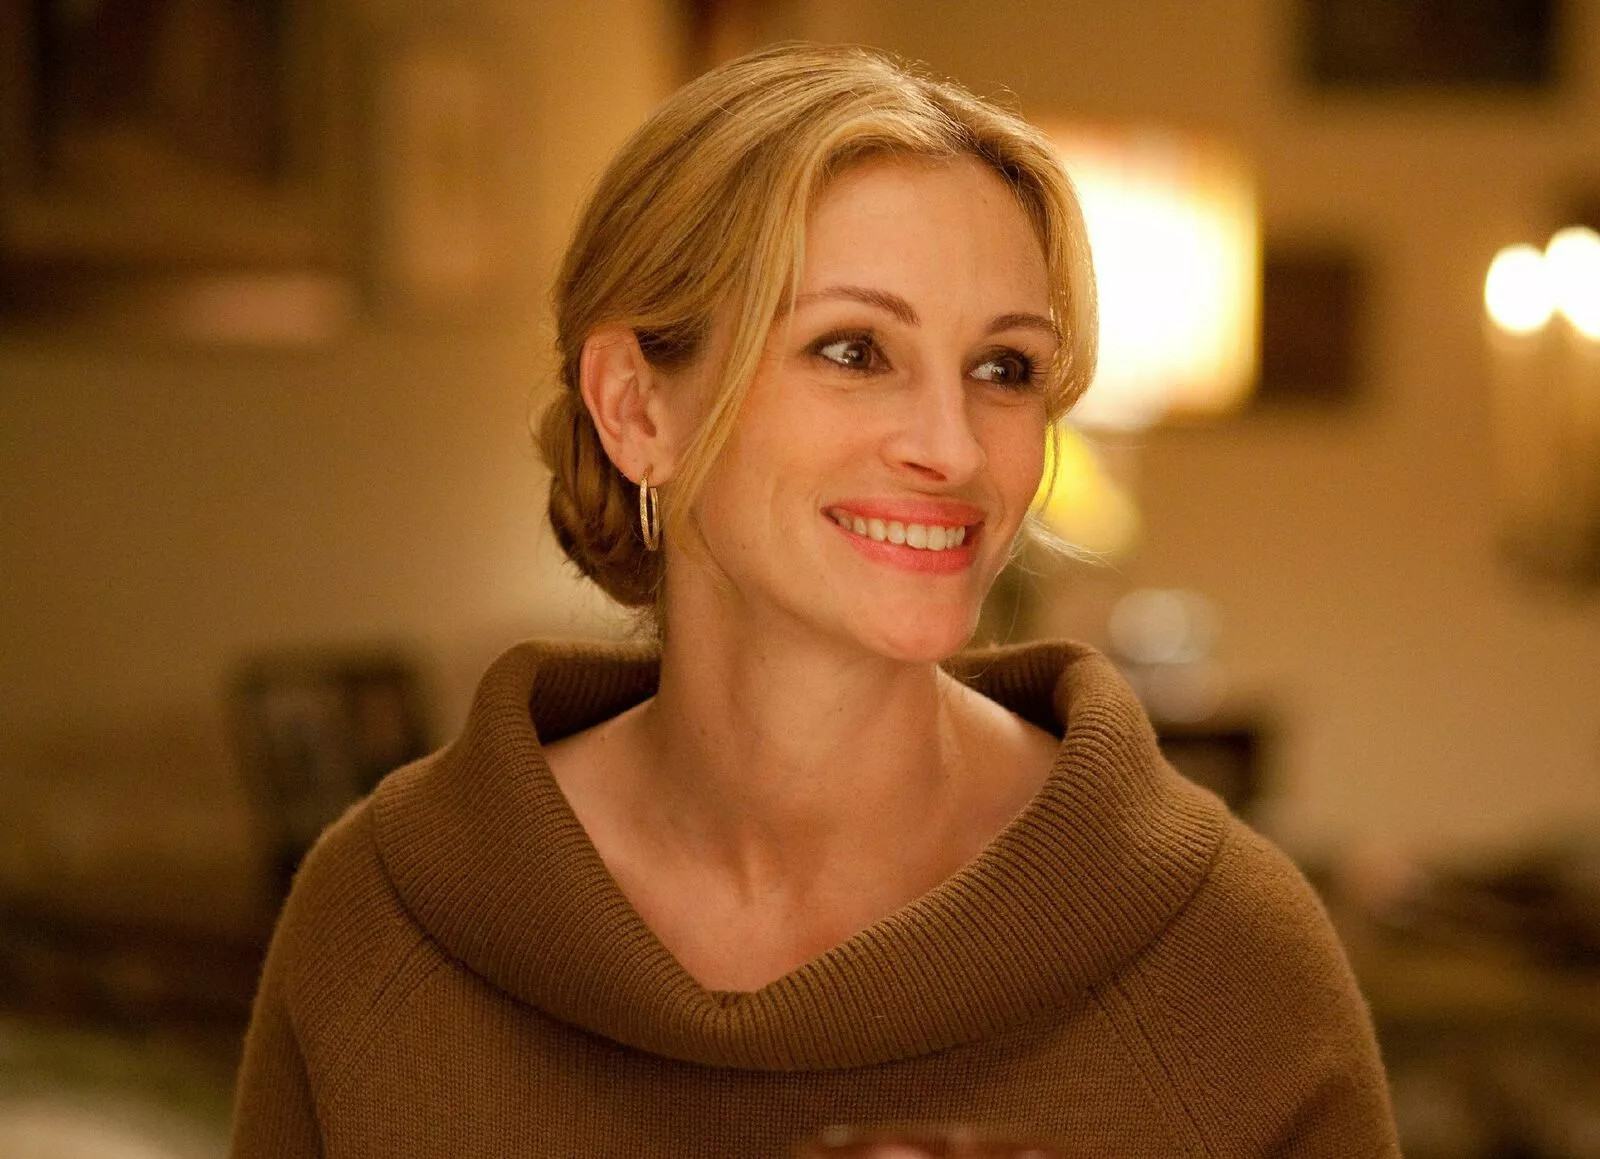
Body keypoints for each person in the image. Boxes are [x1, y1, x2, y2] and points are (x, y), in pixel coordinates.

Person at [230, 43, 1400, 1158]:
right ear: (636, 406)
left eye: (1002, 368)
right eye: (853, 351)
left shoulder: (1226, 952)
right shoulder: (383, 913)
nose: (953, 447)